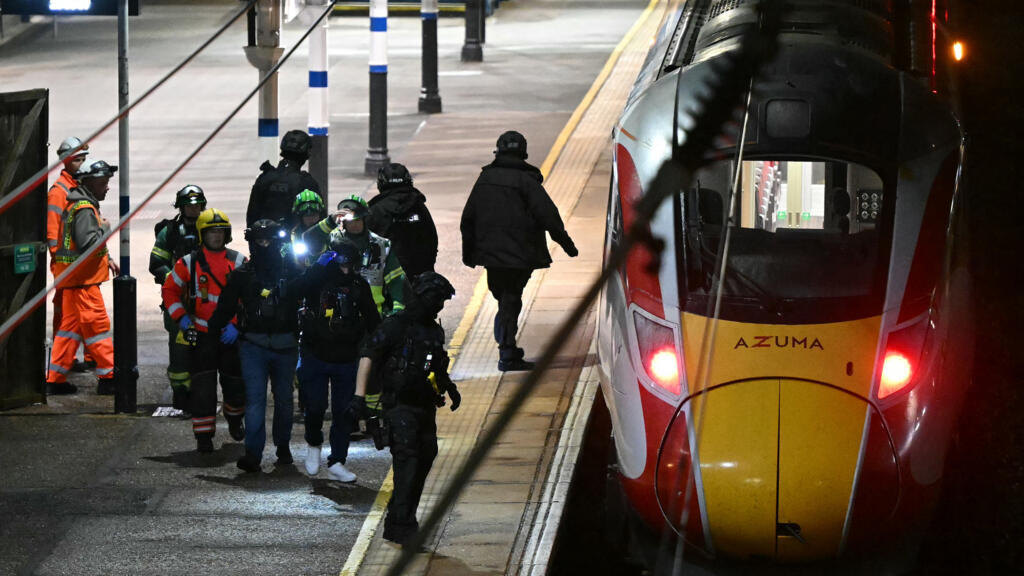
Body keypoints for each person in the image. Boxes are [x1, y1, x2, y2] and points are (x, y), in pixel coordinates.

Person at [349, 272, 461, 546]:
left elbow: (435, 365)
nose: (438, 306)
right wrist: (359, 398)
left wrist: (448, 386)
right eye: (435, 300)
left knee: (425, 457)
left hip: (424, 405)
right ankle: (403, 525)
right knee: (407, 462)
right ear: (422, 297)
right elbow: (369, 354)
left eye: (442, 302)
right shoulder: (395, 325)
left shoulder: (434, 331)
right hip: (399, 406)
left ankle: (401, 517)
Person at [460, 130, 578, 371]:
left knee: (504, 297)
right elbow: (548, 215)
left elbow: (468, 218)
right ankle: (506, 351)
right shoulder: (526, 181)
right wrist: (565, 243)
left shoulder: (486, 179)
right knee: (510, 299)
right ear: (523, 152)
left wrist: (469, 254)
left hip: (492, 256)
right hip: (520, 256)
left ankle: (507, 345)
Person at [208, 219, 302, 472]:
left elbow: (309, 295)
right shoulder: (244, 275)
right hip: (255, 345)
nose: (264, 245)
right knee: (257, 400)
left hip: (282, 345)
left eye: (268, 240)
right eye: (260, 240)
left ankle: (281, 447)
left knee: (282, 400)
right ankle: (254, 454)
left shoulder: (290, 271)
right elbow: (224, 308)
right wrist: (209, 337)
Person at [292, 237, 380, 481]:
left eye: (349, 264)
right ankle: (313, 445)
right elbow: (295, 289)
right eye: (341, 263)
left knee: (344, 413)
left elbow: (373, 320)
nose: (345, 269)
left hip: (346, 358)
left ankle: (337, 461)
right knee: (315, 406)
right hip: (314, 355)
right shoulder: (317, 281)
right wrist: (317, 268)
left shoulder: (359, 285)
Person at [161, 208, 247, 453]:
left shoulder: (239, 261)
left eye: (221, 231)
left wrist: (236, 326)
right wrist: (182, 319)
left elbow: (248, 298)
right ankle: (203, 437)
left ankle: (234, 418)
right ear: (202, 234)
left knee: (235, 386)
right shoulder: (188, 263)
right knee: (202, 390)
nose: (217, 236)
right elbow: (169, 291)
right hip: (201, 335)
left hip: (229, 335)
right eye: (211, 232)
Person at [45, 159, 119, 395]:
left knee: (69, 330)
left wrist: (107, 259)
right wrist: (106, 229)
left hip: (73, 280)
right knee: (97, 328)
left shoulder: (77, 204)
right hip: (84, 283)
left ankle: (55, 379)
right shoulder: (85, 209)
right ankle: (108, 377)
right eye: (104, 183)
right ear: (92, 183)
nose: (107, 187)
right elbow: (89, 244)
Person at [150, 185, 207, 412]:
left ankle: (202, 393)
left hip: (205, 301)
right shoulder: (170, 232)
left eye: (197, 205)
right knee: (180, 353)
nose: (193, 209)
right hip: (178, 303)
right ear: (181, 207)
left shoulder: (211, 228)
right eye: (189, 205)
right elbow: (156, 264)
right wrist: (174, 279)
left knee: (203, 350)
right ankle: (181, 394)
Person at [46, 136, 94, 374]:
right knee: (65, 313)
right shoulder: (59, 192)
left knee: (86, 311)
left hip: (83, 264)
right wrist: (62, 261)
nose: (82, 163)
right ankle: (64, 359)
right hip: (67, 265)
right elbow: (53, 233)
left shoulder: (81, 186)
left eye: (84, 158)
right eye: (77, 159)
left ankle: (87, 355)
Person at [365, 163, 438, 277]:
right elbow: (431, 239)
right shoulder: (418, 206)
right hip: (418, 273)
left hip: (383, 276)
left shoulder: (375, 210)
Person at [246, 130, 322, 228]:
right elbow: (318, 217)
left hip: (263, 239)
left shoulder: (264, 178)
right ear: (305, 154)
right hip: (293, 238)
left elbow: (252, 214)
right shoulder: (306, 182)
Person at [290, 189, 329, 268]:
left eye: (314, 215)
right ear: (300, 217)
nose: (311, 219)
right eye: (307, 216)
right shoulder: (295, 234)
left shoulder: (330, 231)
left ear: (320, 214)